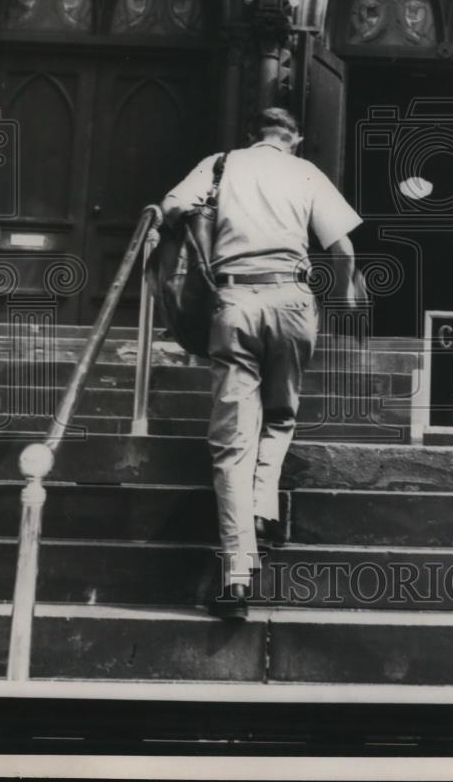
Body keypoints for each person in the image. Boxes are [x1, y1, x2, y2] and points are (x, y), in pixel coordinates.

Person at [161, 107, 362, 618]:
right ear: (294, 139)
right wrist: (337, 304)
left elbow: (170, 207)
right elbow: (344, 253)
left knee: (231, 446)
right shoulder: (306, 172)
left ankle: (236, 577)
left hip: (235, 303)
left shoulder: (222, 163)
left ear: (251, 135)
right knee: (282, 415)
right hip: (293, 301)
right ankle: (264, 503)